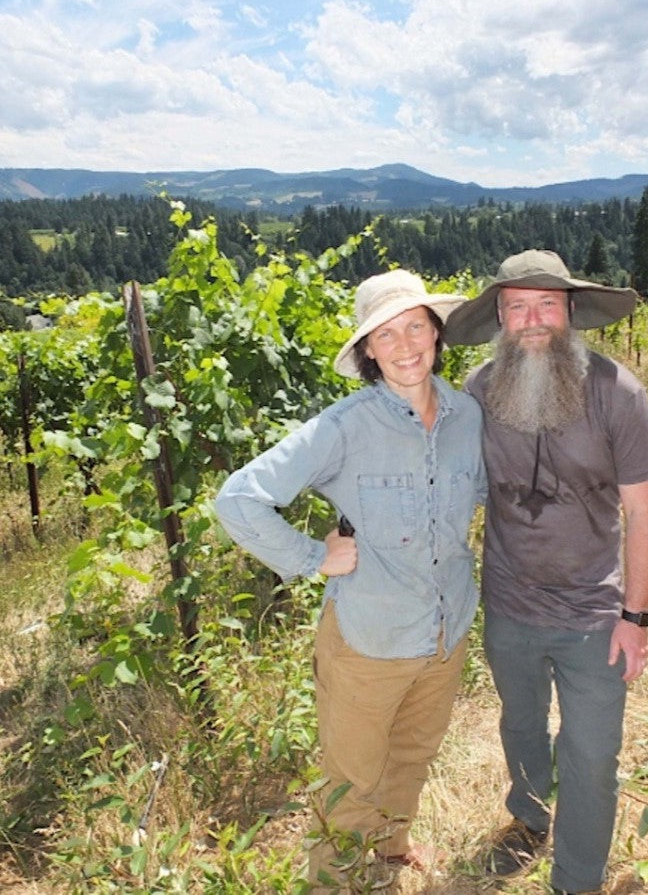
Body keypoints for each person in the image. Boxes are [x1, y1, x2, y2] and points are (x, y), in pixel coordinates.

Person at [215, 269, 486, 890]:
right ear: (367, 352)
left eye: (415, 326)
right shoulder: (344, 425)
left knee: (413, 757)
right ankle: (332, 883)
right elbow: (240, 499)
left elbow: (490, 494)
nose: (404, 344)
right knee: (349, 783)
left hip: (446, 633)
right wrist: (314, 557)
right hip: (369, 639)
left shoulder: (469, 416)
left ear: (437, 332)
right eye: (384, 335)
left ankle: (392, 852)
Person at [443, 250, 648, 895]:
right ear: (499, 319)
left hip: (595, 612)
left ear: (570, 312)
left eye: (546, 304)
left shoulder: (617, 393)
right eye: (517, 306)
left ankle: (577, 880)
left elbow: (644, 514)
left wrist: (637, 619)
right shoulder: (479, 393)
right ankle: (529, 818)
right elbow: (436, 473)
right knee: (520, 719)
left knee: (592, 757)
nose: (532, 319)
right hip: (509, 601)